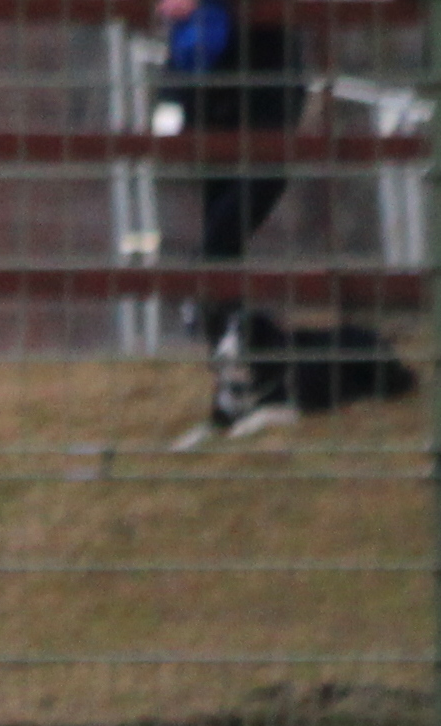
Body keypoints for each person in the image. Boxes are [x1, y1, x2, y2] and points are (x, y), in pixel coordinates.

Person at [156, 0, 308, 434]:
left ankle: (268, 382)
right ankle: (235, 397)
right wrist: (171, 104)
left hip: (263, 119)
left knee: (214, 256)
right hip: (210, 119)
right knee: (221, 261)